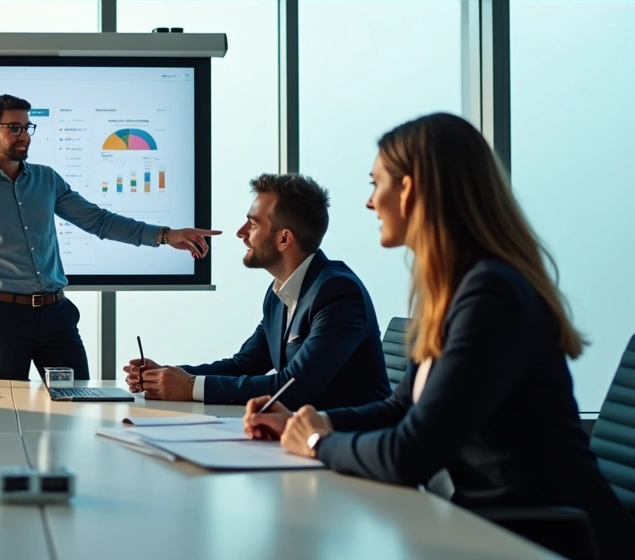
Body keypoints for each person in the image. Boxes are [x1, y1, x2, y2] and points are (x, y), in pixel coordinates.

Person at [244, 113, 635, 559]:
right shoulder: (451, 290)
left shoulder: (491, 294)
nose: (370, 203)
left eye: (376, 184)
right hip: (480, 529)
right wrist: (306, 422)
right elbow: (401, 409)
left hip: (548, 542)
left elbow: (412, 453)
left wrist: (317, 443)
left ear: (409, 189)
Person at [0, 94, 221, 380]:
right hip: (4, 318)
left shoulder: (47, 180)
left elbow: (99, 221)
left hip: (56, 316)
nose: (24, 136)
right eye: (14, 128)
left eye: (27, 127)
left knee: (77, 403)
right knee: (7, 411)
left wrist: (165, 235)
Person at [123, 173, 391, 409]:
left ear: (284, 238)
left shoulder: (338, 293)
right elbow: (243, 365)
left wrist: (190, 387)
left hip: (351, 446)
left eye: (252, 224)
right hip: (300, 439)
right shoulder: (279, 294)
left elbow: (293, 387)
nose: (240, 232)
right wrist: (168, 376)